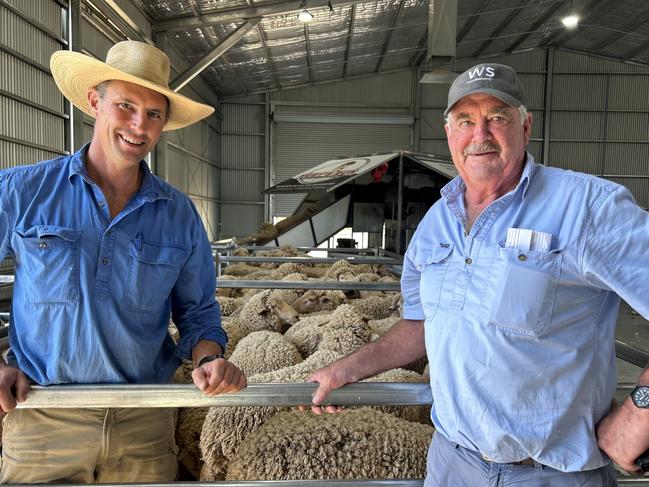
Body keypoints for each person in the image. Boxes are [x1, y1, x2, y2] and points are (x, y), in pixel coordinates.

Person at [304, 63, 649, 486]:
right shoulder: (436, 222)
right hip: (452, 462)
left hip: (551, 474)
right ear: (448, 132)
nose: (480, 134)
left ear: (526, 125)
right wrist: (348, 368)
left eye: (497, 118)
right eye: (465, 120)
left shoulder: (589, 208)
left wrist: (640, 409)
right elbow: (421, 324)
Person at [0, 41, 246, 483]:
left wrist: (209, 358)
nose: (139, 125)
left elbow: (198, 312)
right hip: (44, 418)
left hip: (145, 421)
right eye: (125, 105)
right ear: (95, 100)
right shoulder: (22, 192)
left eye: (154, 113)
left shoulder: (178, 214)